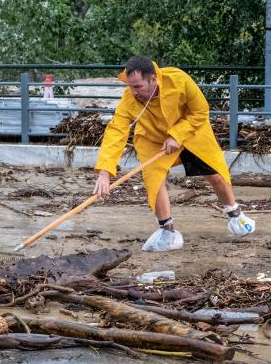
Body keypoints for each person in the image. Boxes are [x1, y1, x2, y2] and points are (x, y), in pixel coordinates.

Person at [92, 56, 256, 252]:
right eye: (130, 86)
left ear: (153, 79)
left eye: (138, 86)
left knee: (215, 175)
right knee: (155, 180)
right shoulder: (130, 98)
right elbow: (116, 130)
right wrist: (105, 172)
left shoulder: (179, 80)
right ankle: (167, 230)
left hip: (191, 133)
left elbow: (200, 111)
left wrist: (177, 135)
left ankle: (235, 215)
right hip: (153, 140)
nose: (133, 92)